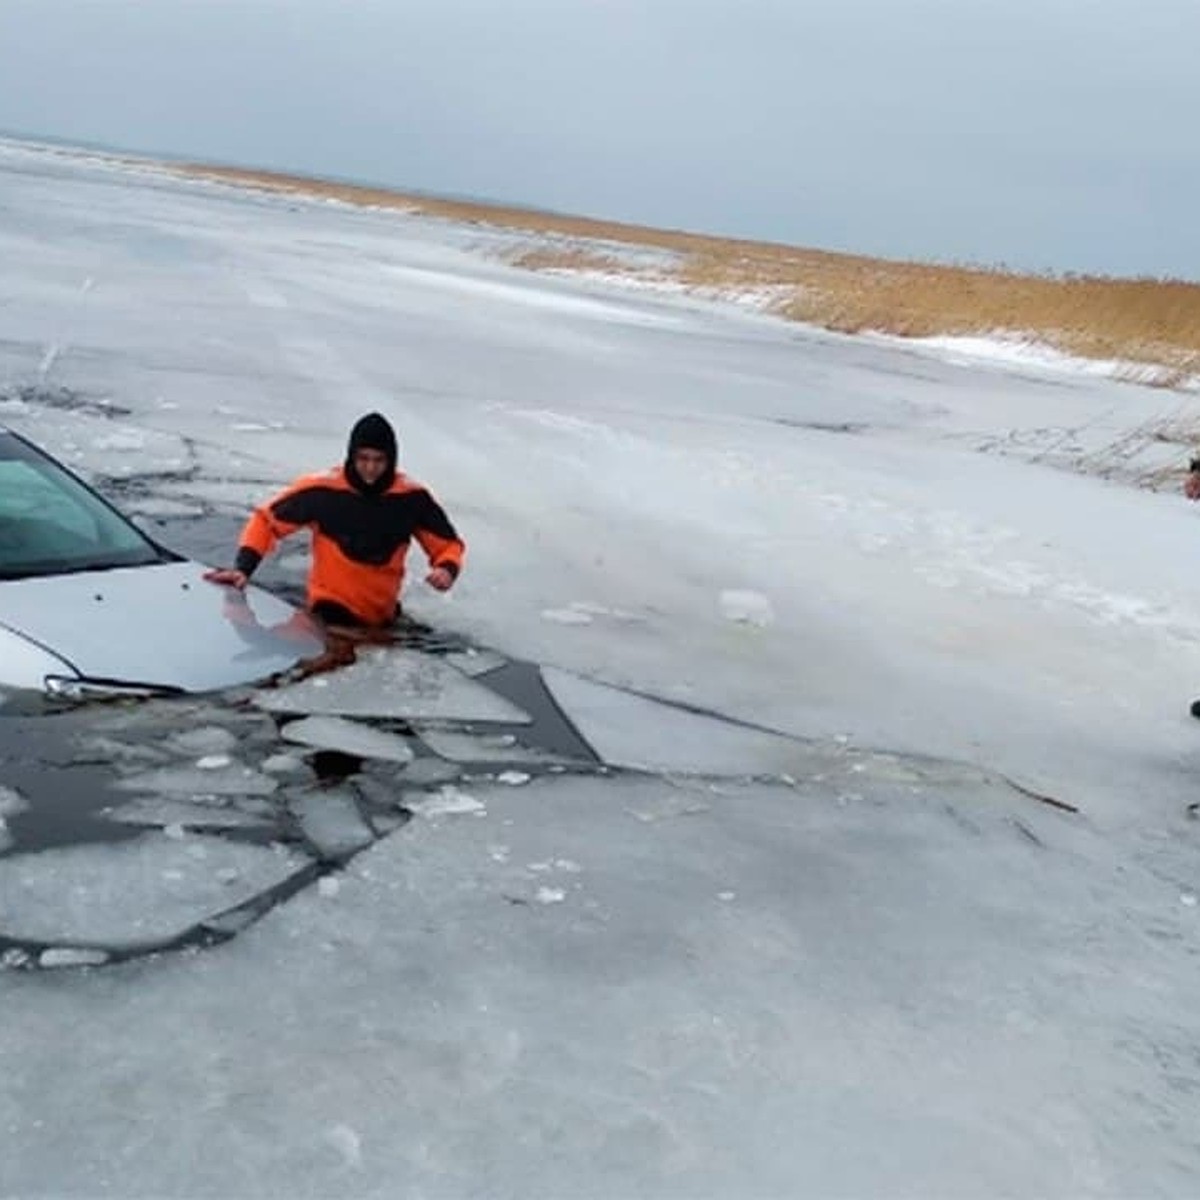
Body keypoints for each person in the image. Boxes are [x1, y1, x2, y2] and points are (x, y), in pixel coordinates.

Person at [204, 412, 464, 629]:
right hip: (328, 613)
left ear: (391, 459)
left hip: (382, 615)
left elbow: (448, 545)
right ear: (351, 455)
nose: (370, 468)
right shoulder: (323, 491)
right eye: (363, 459)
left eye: (379, 460)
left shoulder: (411, 498)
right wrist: (243, 568)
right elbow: (265, 521)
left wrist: (446, 569)